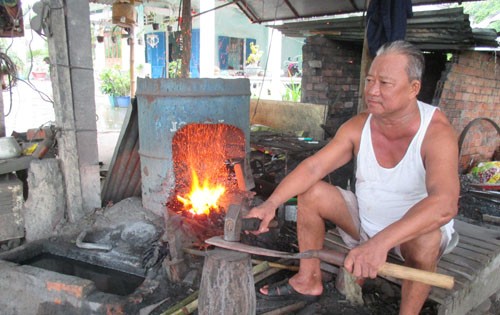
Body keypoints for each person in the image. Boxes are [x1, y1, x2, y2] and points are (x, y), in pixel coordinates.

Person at [246, 40, 459, 315]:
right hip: (366, 224)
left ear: (413, 88)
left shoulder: (436, 132)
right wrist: (271, 204)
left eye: (385, 83)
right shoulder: (359, 126)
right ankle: (308, 280)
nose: (372, 91)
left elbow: (445, 204)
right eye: (370, 80)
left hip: (410, 238)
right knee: (312, 192)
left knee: (428, 237)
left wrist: (379, 245)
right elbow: (313, 168)